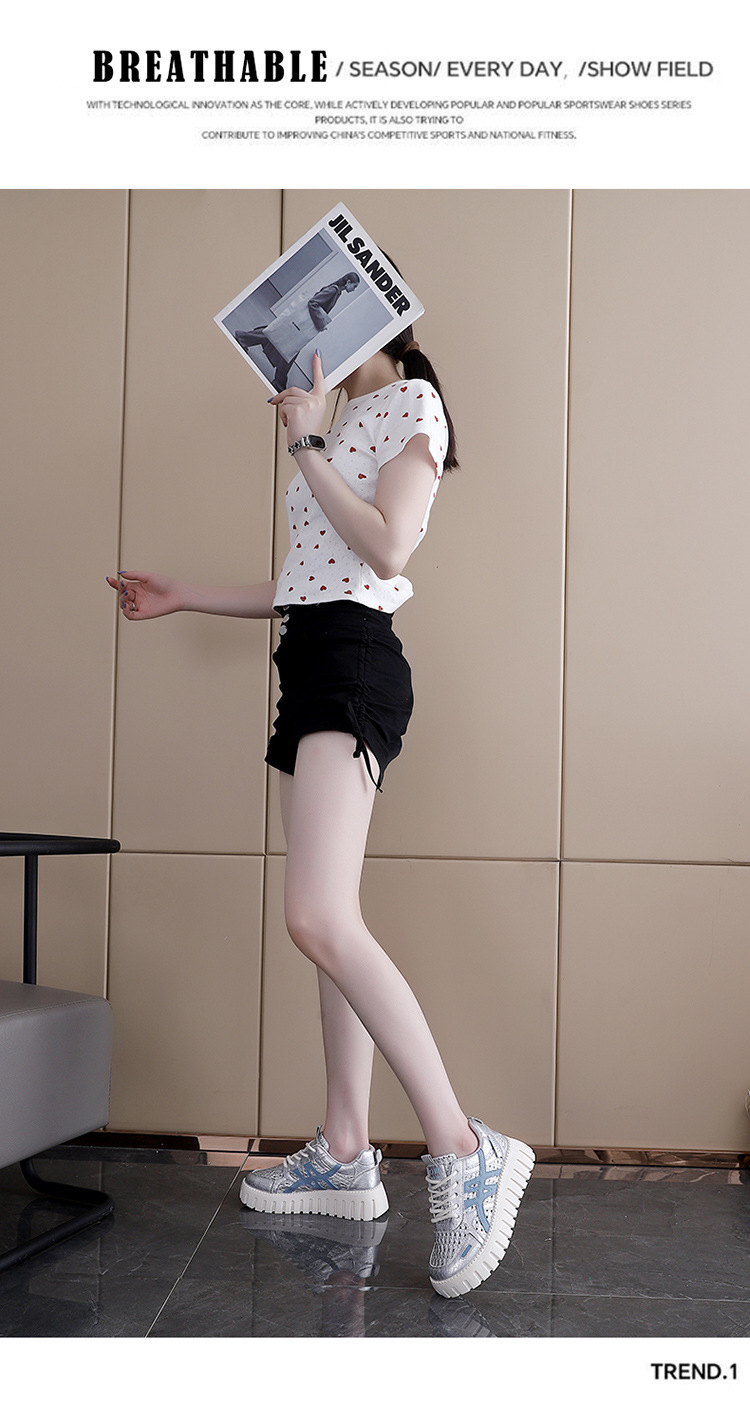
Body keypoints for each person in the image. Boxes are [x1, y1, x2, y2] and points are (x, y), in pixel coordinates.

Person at [106, 318, 535, 1299]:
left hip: (354, 664)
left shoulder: (412, 401)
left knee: (318, 917)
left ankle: (465, 1147)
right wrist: (185, 595)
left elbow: (384, 551)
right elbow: (315, 577)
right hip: (308, 658)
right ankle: (345, 1147)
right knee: (326, 923)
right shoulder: (343, 421)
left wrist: (302, 441)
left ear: (378, 315)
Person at [234, 272, 361, 391]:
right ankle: (278, 381)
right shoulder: (333, 290)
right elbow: (313, 303)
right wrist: (321, 323)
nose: (353, 290)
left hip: (300, 325)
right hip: (302, 325)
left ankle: (244, 339)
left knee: (277, 337)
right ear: (348, 282)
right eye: (354, 286)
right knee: (282, 342)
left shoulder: (336, 291)